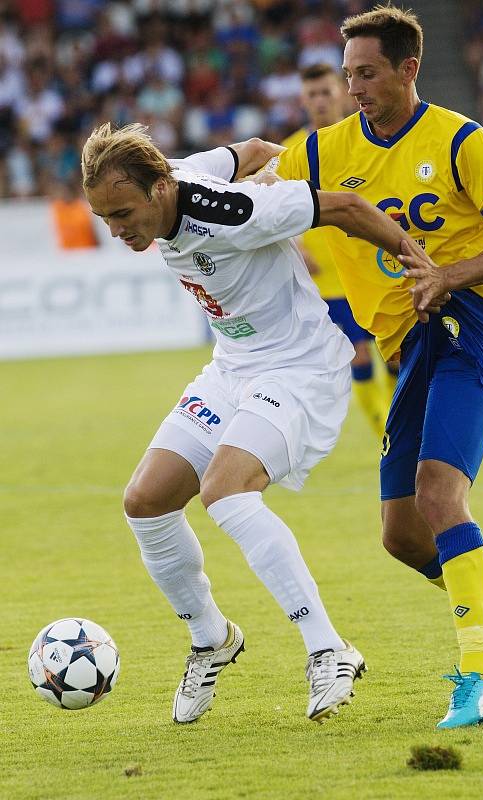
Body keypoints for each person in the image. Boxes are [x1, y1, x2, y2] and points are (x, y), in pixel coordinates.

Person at [81, 122, 414, 724]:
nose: (118, 230)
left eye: (123, 213)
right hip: (231, 368)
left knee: (226, 492)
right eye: (105, 218)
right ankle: (212, 639)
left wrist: (415, 261)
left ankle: (328, 649)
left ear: (159, 189)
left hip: (298, 367)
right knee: (145, 501)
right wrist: (271, 163)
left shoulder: (234, 213)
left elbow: (343, 206)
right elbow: (255, 150)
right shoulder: (176, 173)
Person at [274, 5, 483, 729]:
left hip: (471, 325)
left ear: (408, 69)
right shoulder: (324, 152)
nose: (354, 87)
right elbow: (264, 166)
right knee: (403, 534)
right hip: (410, 344)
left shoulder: (461, 142)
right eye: (348, 73)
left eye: (368, 74)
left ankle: (478, 678)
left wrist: (453, 273)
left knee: (440, 496)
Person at [283, 62, 397, 439]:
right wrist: (296, 244)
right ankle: (387, 431)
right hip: (329, 280)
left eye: (325, 92)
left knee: (395, 353)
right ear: (303, 100)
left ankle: (407, 422)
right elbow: (275, 206)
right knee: (359, 357)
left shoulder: (367, 140)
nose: (319, 101)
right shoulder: (292, 151)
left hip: (374, 268)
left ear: (341, 92)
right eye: (311, 94)